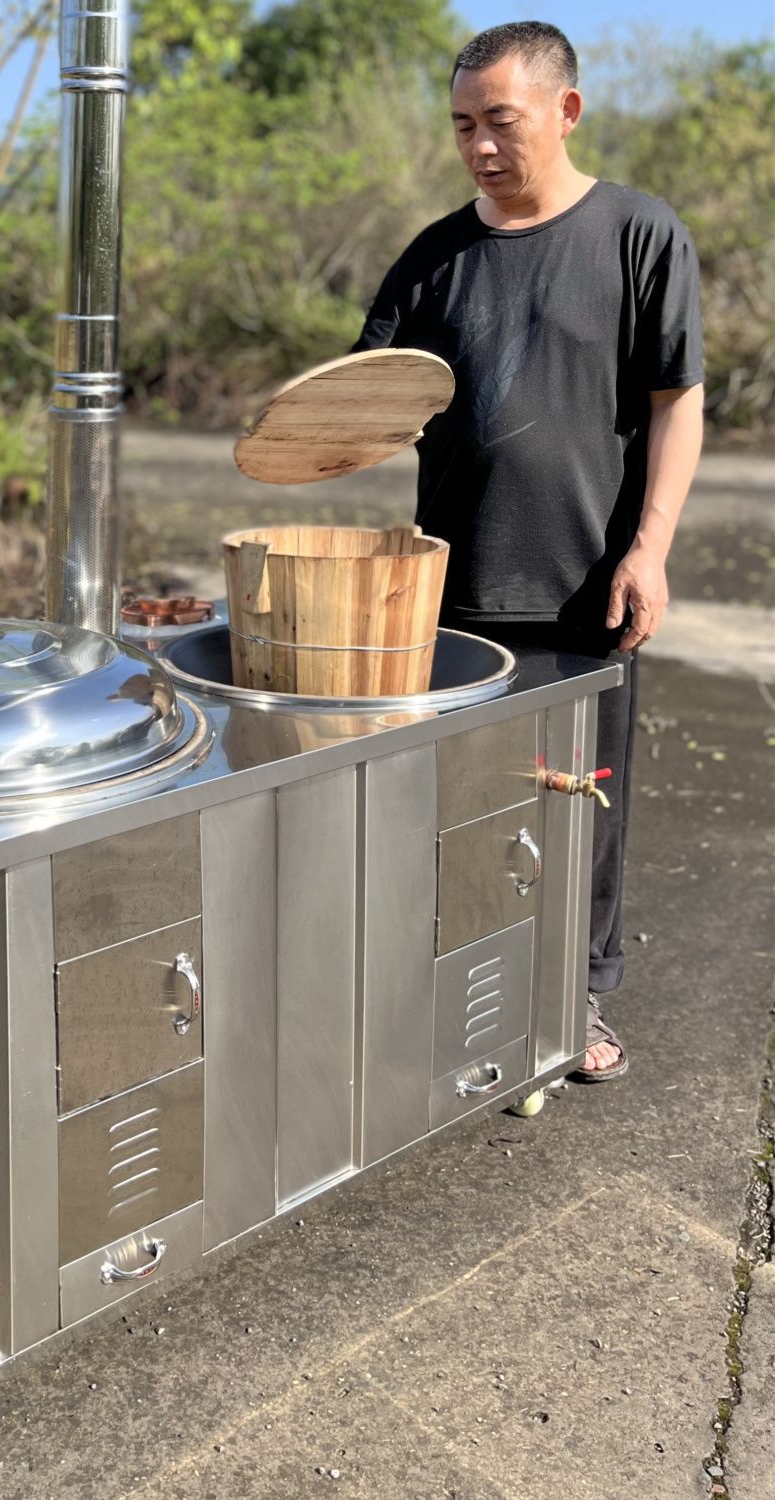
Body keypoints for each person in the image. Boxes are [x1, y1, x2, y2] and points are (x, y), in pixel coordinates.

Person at [352, 20, 704, 1082]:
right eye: (463, 124)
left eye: (500, 121)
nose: (480, 146)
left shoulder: (639, 234)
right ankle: (465, 1001)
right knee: (458, 812)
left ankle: (573, 1000)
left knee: (580, 805)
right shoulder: (434, 257)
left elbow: (676, 401)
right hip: (450, 596)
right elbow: (368, 401)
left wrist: (650, 550)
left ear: (566, 110)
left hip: (586, 586)